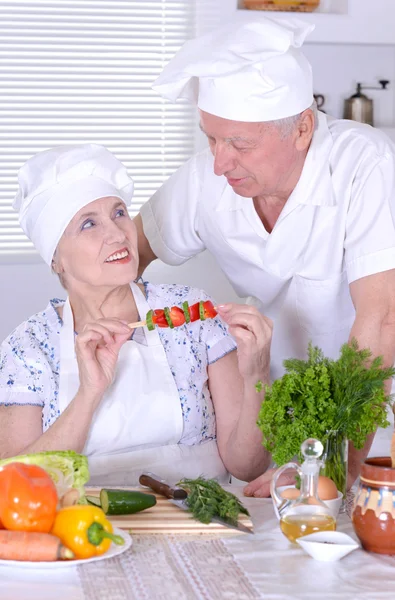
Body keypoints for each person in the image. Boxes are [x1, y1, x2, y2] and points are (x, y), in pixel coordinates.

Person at [134, 16, 395, 496]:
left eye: (239, 144)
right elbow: (120, 253)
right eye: (211, 138)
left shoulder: (367, 167)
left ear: (301, 129)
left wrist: (334, 471)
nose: (219, 162)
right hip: (277, 421)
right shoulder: (205, 179)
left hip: (369, 433)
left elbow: (381, 324)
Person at [0, 143, 273, 486]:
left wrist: (256, 374)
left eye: (118, 213)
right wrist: (90, 392)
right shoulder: (28, 349)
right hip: (88, 531)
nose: (117, 234)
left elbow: (247, 467)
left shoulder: (193, 316)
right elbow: (16, 487)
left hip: (202, 521)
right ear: (56, 259)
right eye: (89, 224)